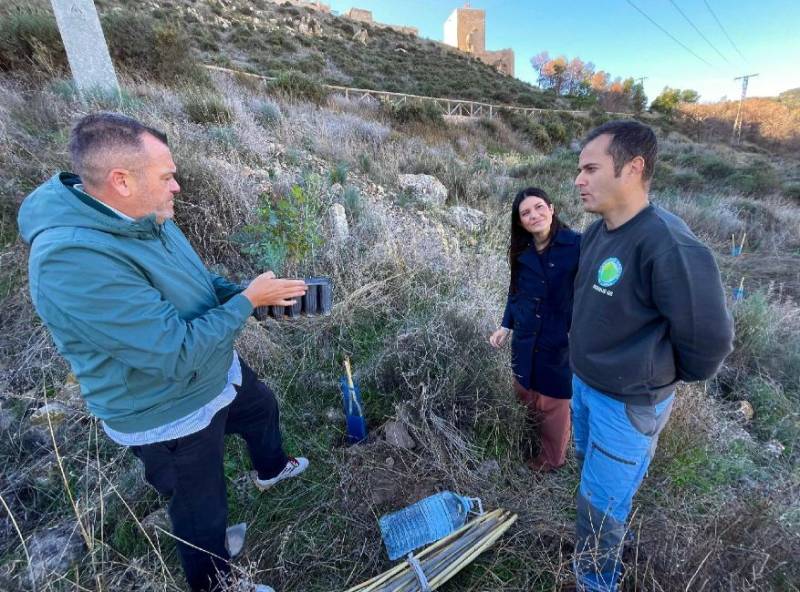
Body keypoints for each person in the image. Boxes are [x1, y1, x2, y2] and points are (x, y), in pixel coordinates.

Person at [18, 113, 310, 592]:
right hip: (165, 405)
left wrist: (244, 296)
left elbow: (195, 283)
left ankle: (271, 470)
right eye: (167, 176)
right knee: (202, 510)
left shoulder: (143, 216)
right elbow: (173, 354)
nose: (177, 186)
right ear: (122, 181)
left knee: (260, 408)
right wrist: (244, 303)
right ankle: (216, 584)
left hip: (213, 370)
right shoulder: (71, 261)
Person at [570, 120, 734, 591]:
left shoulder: (669, 244)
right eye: (578, 169)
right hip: (584, 384)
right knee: (592, 483)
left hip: (627, 405)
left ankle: (596, 582)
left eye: (590, 168)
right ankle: (598, 554)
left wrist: (656, 378)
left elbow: (710, 341)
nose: (579, 180)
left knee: (599, 507)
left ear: (633, 167)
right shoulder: (598, 232)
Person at [489, 187, 580, 472]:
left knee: (554, 406)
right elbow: (514, 292)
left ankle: (551, 461)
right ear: (519, 222)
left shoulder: (578, 245)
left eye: (539, 207)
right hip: (525, 341)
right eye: (526, 213)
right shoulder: (521, 253)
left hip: (560, 344)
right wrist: (506, 325)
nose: (534, 215)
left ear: (552, 208)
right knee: (525, 395)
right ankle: (528, 444)